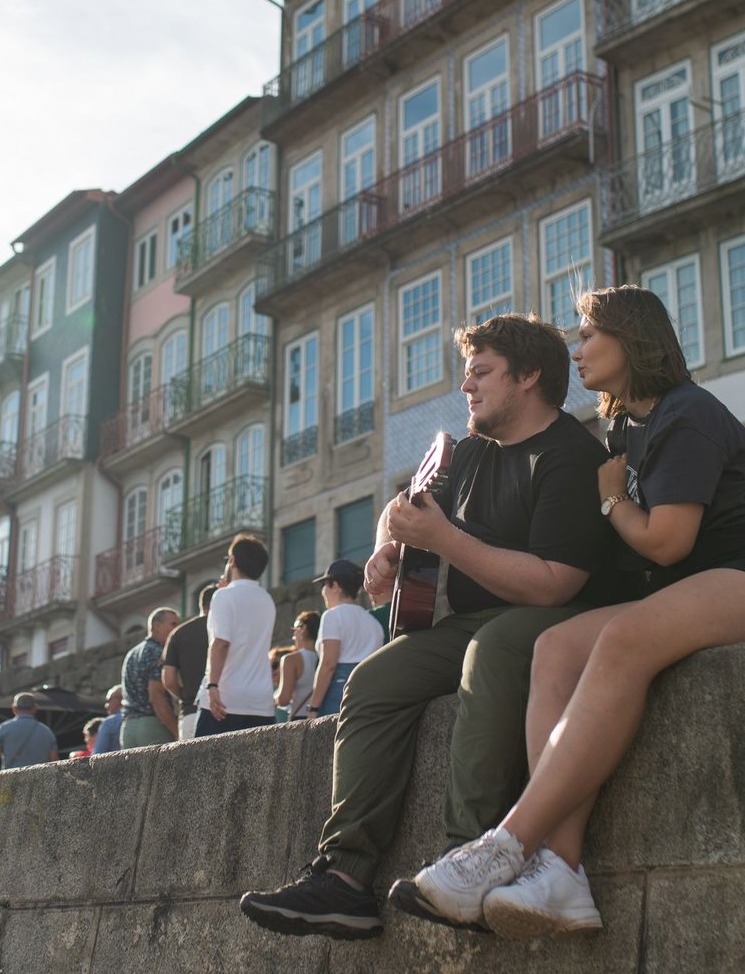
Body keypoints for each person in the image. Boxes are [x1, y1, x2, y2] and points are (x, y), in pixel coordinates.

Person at [396, 286, 745, 938]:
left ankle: (506, 843)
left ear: (631, 339)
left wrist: (610, 502)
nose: (577, 349)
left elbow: (668, 540)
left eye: (589, 335)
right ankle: (562, 868)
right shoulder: (628, 425)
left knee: (625, 638)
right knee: (557, 648)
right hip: (698, 583)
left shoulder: (686, 412)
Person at [241, 313, 638, 940]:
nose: (466, 388)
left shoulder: (570, 455)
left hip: (561, 618)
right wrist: (385, 552)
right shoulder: (471, 451)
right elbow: (407, 508)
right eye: (467, 374)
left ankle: (469, 860)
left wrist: (446, 539)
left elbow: (554, 582)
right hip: (476, 619)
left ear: (529, 376)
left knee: (492, 647)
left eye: (481, 373)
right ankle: (343, 878)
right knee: (372, 681)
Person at [200, 534, 278, 737]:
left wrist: (212, 684)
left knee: (204, 767)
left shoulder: (223, 596)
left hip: (226, 699)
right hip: (261, 701)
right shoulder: (267, 599)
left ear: (232, 561)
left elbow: (220, 643)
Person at [301, 560, 386, 719]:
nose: (323, 591)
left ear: (335, 586)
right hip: (371, 694)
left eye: (324, 586)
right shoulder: (373, 623)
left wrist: (313, 707)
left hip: (339, 691)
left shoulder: (332, 616)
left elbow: (328, 665)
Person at [160, 584, 216, 740]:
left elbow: (169, 680)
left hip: (191, 711)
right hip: (226, 709)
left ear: (201, 604)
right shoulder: (228, 628)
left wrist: (184, 696)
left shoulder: (178, 633)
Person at [119, 608, 181, 748]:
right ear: (157, 626)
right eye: (173, 624)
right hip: (152, 726)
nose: (177, 629)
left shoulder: (131, 653)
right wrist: (177, 731)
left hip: (128, 728)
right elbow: (156, 697)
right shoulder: (157, 652)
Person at [0, 693, 57, 773]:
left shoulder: (3, 729)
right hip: (41, 781)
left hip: (11, 781)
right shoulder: (47, 732)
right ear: (34, 708)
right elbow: (54, 762)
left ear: (14, 708)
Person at [274, 611, 321, 721]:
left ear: (302, 629)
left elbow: (284, 699)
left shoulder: (290, 660)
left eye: (294, 630)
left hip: (299, 717)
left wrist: (274, 698)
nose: (293, 635)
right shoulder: (325, 657)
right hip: (320, 715)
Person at [91, 686, 123, 754]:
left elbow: (98, 754)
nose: (106, 705)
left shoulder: (109, 722)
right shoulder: (136, 718)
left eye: (109, 701)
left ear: (119, 700)